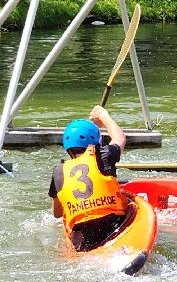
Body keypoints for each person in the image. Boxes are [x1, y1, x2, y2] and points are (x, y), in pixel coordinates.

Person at [49, 105, 129, 252]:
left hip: (84, 237)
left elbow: (57, 214)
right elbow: (120, 137)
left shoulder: (59, 172)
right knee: (130, 204)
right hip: (113, 225)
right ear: (96, 143)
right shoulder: (104, 155)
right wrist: (103, 115)